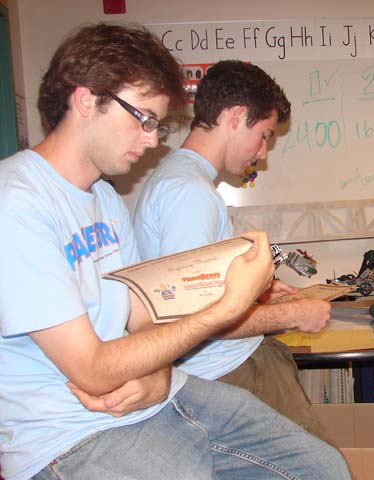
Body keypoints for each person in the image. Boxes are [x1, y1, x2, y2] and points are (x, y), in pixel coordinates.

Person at [0, 23, 350, 480]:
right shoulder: (17, 203)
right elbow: (93, 369)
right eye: (144, 119)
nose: (152, 140)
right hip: (68, 433)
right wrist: (227, 307)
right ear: (86, 100)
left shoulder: (104, 197)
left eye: (157, 125)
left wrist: (160, 372)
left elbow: (143, 314)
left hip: (155, 390)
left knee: (323, 467)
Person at [131, 60, 331, 438]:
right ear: (237, 117)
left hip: (225, 370)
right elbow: (194, 320)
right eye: (264, 135)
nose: (262, 152)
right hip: (229, 373)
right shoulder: (189, 193)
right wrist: (292, 314)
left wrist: (256, 294)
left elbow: (195, 295)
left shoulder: (181, 181)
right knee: (321, 463)